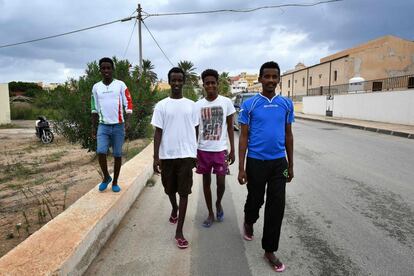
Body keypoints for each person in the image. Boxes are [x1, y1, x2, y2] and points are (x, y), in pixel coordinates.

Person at [238, 61, 294, 272]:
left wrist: (291, 164)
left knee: (276, 206)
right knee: (255, 199)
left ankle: (269, 250)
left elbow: (288, 135)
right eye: (267, 76)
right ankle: (249, 220)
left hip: (279, 162)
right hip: (256, 161)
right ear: (260, 79)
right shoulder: (250, 104)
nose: (271, 80)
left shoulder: (286, 104)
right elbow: (243, 137)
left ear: (278, 79)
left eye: (274, 77)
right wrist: (242, 168)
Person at [151, 67, 198, 249]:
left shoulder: (191, 105)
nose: (177, 83)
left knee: (184, 192)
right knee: (169, 189)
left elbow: (195, 130)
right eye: (174, 80)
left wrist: (196, 153)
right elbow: (158, 132)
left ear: (183, 82)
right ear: (170, 81)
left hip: (186, 155)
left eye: (180, 80)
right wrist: (156, 157)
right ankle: (174, 208)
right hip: (167, 156)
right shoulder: (161, 105)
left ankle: (179, 232)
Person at [194, 69, 235, 227]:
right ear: (203, 85)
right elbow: (195, 130)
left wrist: (231, 149)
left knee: (221, 182)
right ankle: (210, 212)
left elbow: (230, 127)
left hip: (220, 150)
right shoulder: (198, 105)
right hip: (203, 150)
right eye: (207, 83)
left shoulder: (226, 102)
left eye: (213, 82)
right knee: (206, 182)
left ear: (217, 84)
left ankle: (218, 203)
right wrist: (194, 150)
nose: (210, 85)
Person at [91, 57, 133, 193]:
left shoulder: (120, 85)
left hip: (118, 125)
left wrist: (128, 121)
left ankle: (115, 181)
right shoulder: (96, 87)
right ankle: (106, 177)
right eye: (103, 68)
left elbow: (129, 103)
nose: (106, 70)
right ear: (100, 70)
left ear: (112, 69)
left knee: (117, 154)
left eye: (108, 68)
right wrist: (93, 127)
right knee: (101, 151)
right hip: (103, 126)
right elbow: (94, 108)